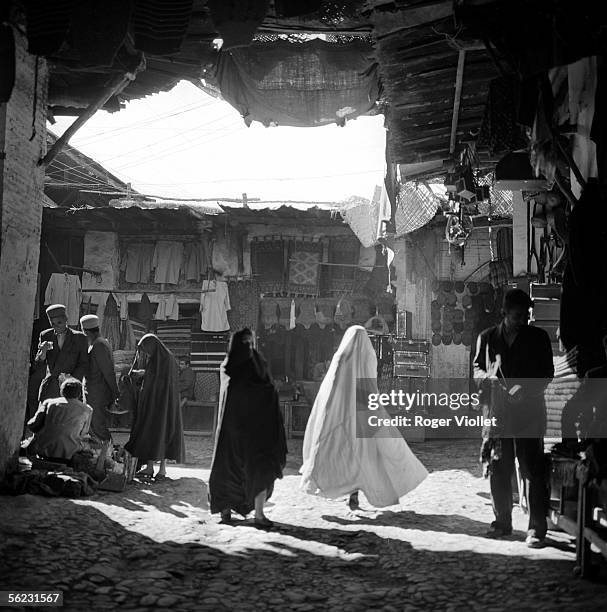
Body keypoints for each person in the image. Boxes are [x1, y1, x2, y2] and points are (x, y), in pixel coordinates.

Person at [300, 325, 428, 510]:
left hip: (342, 415)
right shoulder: (367, 356)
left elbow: (331, 390)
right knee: (368, 454)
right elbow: (370, 385)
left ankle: (351, 493)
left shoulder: (341, 358)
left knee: (346, 454)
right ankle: (355, 494)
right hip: (363, 412)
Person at [473, 288, 554, 548]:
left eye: (527, 316)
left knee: (532, 469)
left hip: (529, 413)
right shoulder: (486, 338)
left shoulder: (538, 338)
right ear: (504, 313)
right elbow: (476, 368)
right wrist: (487, 378)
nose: (523, 320)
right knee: (499, 469)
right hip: (497, 415)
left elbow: (547, 373)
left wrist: (524, 389)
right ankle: (502, 523)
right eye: (518, 315)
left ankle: (536, 530)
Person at [209, 328, 287, 527]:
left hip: (231, 431)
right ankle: (258, 515)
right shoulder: (256, 364)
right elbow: (268, 392)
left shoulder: (228, 365)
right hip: (256, 431)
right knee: (259, 471)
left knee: (227, 471)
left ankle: (226, 512)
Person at [124, 334, 185, 479]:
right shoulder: (162, 358)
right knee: (151, 434)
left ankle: (161, 469)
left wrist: (142, 375)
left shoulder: (165, 359)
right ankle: (151, 467)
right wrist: (144, 374)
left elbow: (158, 379)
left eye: (146, 349)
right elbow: (155, 376)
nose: (146, 353)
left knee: (160, 432)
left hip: (161, 404)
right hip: (157, 403)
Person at [24, 377, 92, 462]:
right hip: (69, 454)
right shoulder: (87, 410)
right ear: (79, 394)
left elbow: (33, 425)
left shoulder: (49, 403)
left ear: (62, 391)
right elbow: (82, 434)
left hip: (44, 450)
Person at [35, 304, 89, 402]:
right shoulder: (46, 335)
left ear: (66, 319)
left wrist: (71, 379)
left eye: (59, 323)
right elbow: (38, 363)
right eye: (53, 324)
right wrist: (43, 352)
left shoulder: (79, 338)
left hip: (71, 388)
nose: (56, 327)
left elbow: (83, 363)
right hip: (50, 388)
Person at [80, 314, 120, 442]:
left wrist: (115, 392)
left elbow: (108, 372)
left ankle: (109, 454)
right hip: (94, 393)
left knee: (98, 427)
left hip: (98, 394)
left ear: (85, 331)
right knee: (93, 427)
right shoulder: (100, 343)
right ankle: (103, 456)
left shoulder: (99, 345)